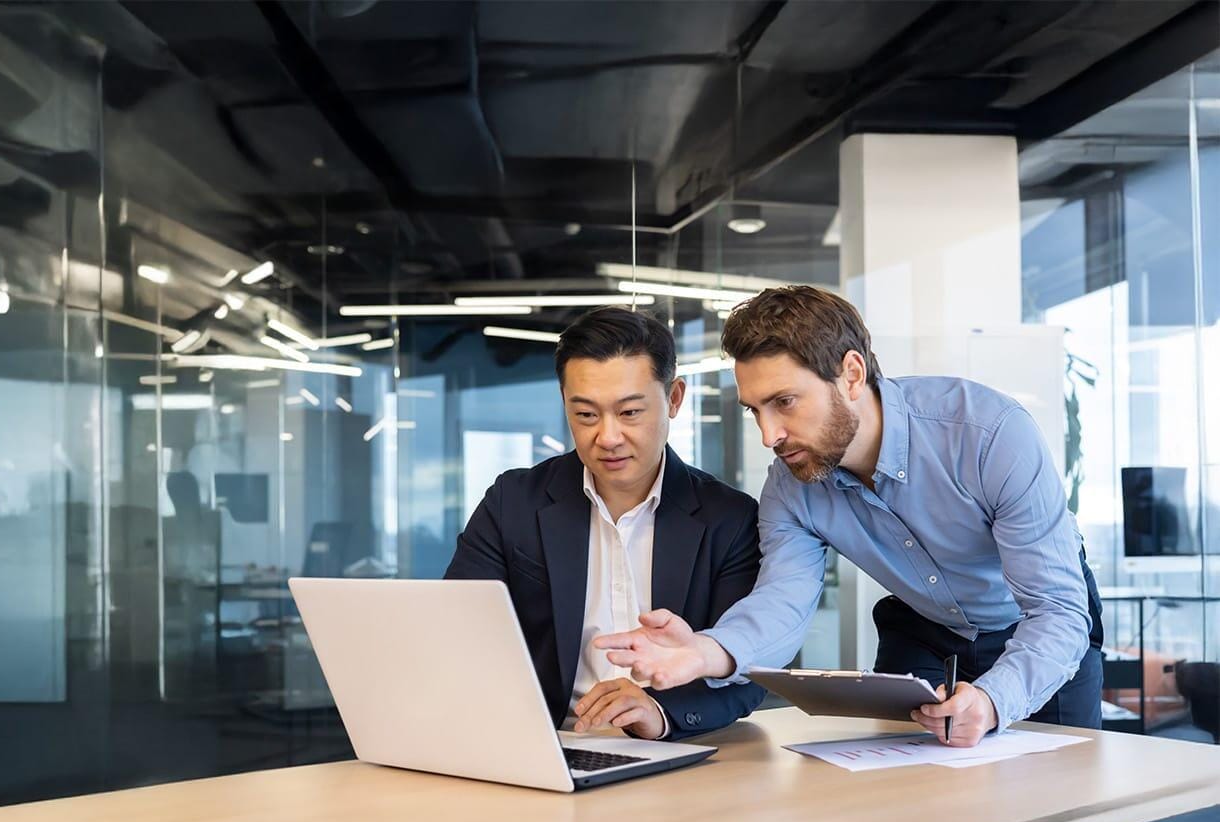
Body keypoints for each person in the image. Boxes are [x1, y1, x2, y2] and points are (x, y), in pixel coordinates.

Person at [595, 285, 1103, 747]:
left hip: (1036, 622)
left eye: (784, 402)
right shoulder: (790, 485)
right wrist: (704, 652)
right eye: (755, 409)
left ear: (852, 375)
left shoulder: (988, 435)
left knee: (1065, 812)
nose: (769, 435)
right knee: (901, 801)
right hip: (925, 628)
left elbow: (1056, 610)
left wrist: (993, 701)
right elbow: (782, 602)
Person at [445, 307, 766, 739]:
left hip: (674, 750)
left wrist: (660, 712)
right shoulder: (513, 502)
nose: (608, 437)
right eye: (586, 415)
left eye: (630, 413)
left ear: (674, 399)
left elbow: (749, 673)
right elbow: (458, 632)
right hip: (547, 745)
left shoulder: (730, 519)